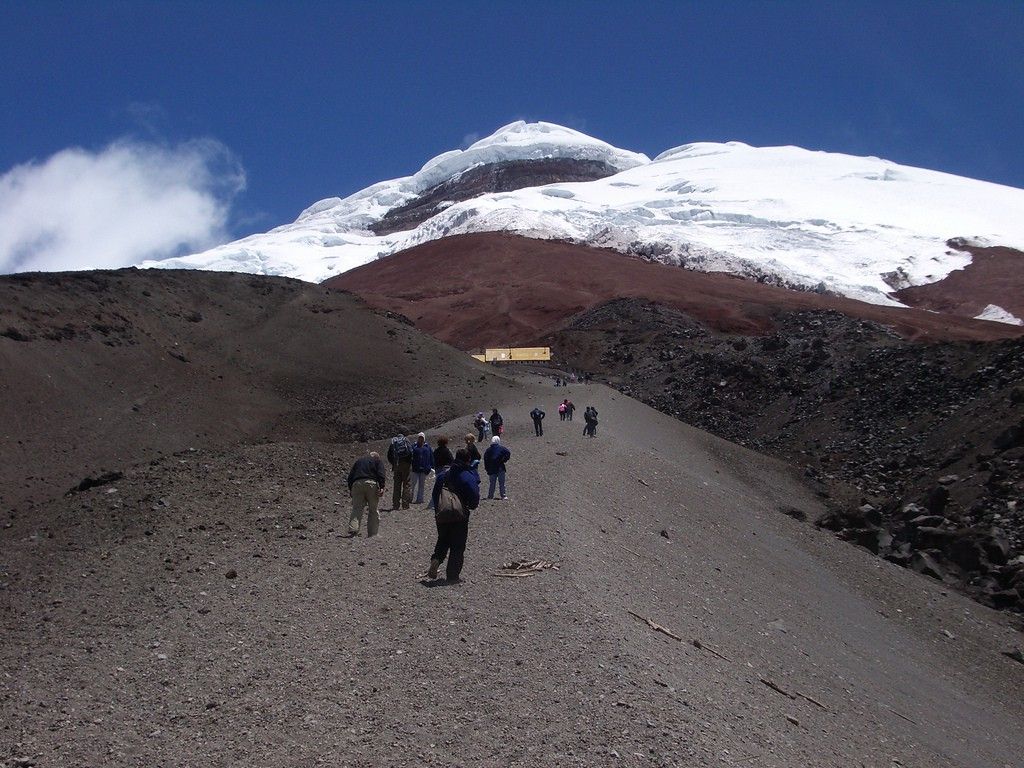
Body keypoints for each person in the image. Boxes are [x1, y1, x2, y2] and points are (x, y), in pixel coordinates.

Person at [426, 448, 480, 582]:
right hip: (459, 514)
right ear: (468, 460)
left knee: (443, 539)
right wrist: (471, 506)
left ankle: (437, 559)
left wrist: (438, 509)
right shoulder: (466, 475)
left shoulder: (443, 475)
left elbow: (435, 494)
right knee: (458, 545)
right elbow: (474, 495)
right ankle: (452, 575)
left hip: (442, 512)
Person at [345, 450, 387, 537]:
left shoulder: (359, 461)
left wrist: (351, 489)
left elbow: (350, 476)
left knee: (357, 508)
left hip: (357, 484)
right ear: (376, 457)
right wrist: (382, 487)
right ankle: (373, 533)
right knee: (373, 509)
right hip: (371, 484)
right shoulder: (377, 461)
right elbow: (381, 473)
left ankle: (353, 529)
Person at [386, 434, 414, 509]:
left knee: (397, 485)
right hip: (406, 466)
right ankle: (405, 505)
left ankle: (395, 504)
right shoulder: (406, 440)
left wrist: (394, 463)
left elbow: (389, 455)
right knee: (406, 484)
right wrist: (409, 463)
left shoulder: (393, 442)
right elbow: (411, 453)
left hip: (397, 465)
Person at [483, 435, 511, 500]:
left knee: (492, 483)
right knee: (502, 483)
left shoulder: (488, 450)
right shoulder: (501, 448)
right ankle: (503, 496)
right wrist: (504, 460)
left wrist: (487, 468)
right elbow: (508, 453)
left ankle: (490, 496)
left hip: (491, 468)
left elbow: (486, 460)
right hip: (500, 467)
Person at [410, 432, 434, 505]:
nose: (420, 439)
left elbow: (431, 457)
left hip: (424, 469)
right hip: (415, 468)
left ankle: (419, 499)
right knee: (412, 484)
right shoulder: (414, 446)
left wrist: (431, 466)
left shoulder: (427, 447)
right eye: (419, 437)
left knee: (421, 485)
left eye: (422, 438)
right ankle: (410, 498)